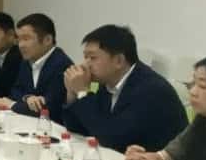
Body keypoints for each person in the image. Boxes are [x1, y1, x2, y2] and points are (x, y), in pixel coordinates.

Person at [61, 25, 187, 153]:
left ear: (119, 61)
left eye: (93, 58)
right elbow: (78, 128)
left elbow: (111, 140)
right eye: (85, 57)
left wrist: (82, 92)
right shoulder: (106, 82)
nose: (85, 65)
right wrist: (72, 92)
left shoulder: (151, 90)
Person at [0, 13, 73, 117]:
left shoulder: (62, 65)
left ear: (47, 40)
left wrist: (12, 105)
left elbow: (49, 109)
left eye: (26, 39)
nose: (21, 45)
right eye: (19, 39)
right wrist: (27, 97)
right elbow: (15, 91)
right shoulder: (27, 61)